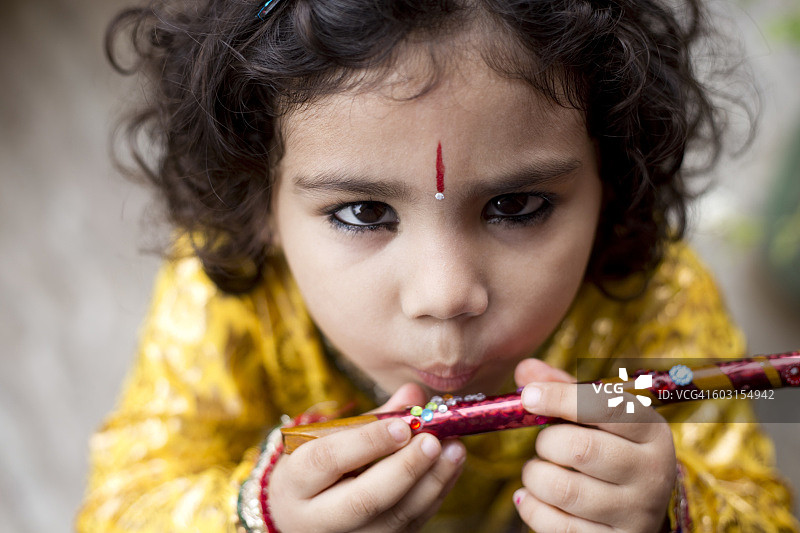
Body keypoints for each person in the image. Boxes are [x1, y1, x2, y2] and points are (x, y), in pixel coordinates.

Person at [77, 0, 798, 531]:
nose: (447, 294)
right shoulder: (227, 291)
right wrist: (253, 514)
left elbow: (760, 508)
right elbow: (119, 503)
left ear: (614, 177)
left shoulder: (653, 293)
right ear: (253, 196)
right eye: (363, 212)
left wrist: (671, 512)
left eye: (517, 205)